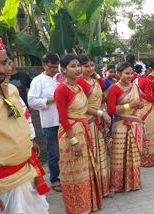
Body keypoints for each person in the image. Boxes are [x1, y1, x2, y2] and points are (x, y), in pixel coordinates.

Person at [0, 36, 49, 214]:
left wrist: (29, 141)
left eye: (4, 62)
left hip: (27, 173)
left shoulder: (12, 90)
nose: (1, 69)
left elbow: (19, 122)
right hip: (0, 185)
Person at [54, 54, 103, 213]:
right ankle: (77, 207)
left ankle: (88, 203)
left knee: (85, 168)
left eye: (77, 66)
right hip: (70, 135)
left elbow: (85, 109)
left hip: (82, 130)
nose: (77, 69)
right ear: (63, 69)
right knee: (74, 172)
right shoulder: (61, 89)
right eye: (72, 66)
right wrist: (73, 142)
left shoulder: (78, 87)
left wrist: (102, 114)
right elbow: (63, 118)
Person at [107, 62, 145, 197]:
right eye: (126, 73)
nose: (130, 76)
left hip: (134, 124)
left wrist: (138, 107)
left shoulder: (134, 86)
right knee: (118, 155)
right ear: (119, 74)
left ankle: (133, 182)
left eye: (131, 73)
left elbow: (139, 103)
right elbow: (111, 109)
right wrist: (130, 105)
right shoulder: (114, 89)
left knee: (133, 155)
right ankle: (116, 185)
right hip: (120, 125)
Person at [76, 53, 111, 197]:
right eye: (86, 66)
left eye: (92, 65)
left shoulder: (94, 81)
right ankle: (92, 190)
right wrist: (101, 114)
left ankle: (102, 188)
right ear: (79, 67)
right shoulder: (79, 83)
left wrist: (103, 113)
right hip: (88, 122)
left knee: (100, 152)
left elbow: (101, 97)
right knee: (91, 154)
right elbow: (82, 107)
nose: (90, 68)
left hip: (98, 120)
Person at [28, 52, 63, 192]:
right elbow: (31, 101)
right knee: (53, 153)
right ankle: (54, 179)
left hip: (66, 120)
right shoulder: (38, 80)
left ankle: (69, 176)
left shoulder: (62, 77)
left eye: (57, 66)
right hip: (50, 122)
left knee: (68, 151)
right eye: (51, 67)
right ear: (44, 65)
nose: (55, 70)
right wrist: (50, 100)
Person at [134, 62, 154, 167]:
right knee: (149, 131)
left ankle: (139, 157)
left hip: (138, 109)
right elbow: (148, 97)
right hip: (148, 108)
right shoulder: (146, 81)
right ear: (145, 71)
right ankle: (149, 158)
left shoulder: (134, 81)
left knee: (140, 132)